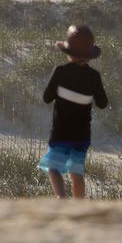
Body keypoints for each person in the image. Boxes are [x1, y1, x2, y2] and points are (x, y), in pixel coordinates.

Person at [39, 24, 108, 199]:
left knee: (53, 168)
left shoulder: (61, 72)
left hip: (61, 132)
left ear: (69, 52)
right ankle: (78, 205)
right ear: (89, 55)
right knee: (76, 171)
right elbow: (102, 103)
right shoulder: (94, 77)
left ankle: (62, 200)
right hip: (82, 134)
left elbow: (47, 97)